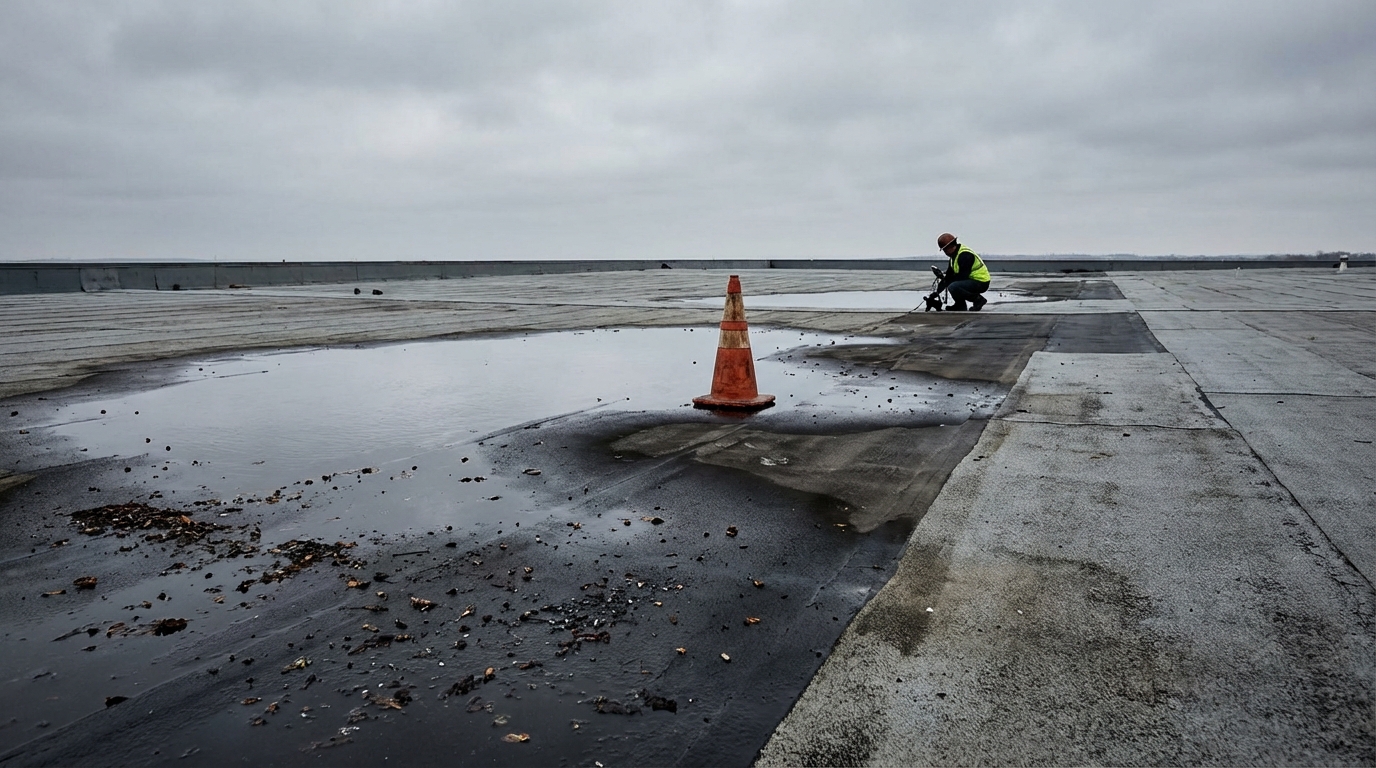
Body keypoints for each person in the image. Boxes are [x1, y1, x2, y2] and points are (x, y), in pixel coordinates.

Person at [934, 232, 990, 311]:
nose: (945, 253)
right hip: (971, 280)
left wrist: (948, 281)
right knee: (952, 284)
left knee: (953, 286)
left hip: (981, 282)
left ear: (950, 247)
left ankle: (978, 299)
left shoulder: (965, 255)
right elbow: (948, 277)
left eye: (945, 250)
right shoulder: (954, 257)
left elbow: (962, 276)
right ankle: (960, 306)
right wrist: (936, 293)